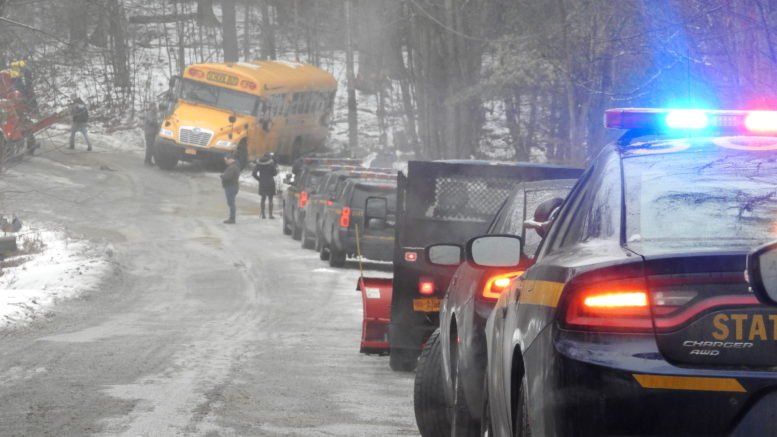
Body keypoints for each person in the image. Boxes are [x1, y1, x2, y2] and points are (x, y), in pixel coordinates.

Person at [252, 152, 278, 219]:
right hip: (270, 182)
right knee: (270, 199)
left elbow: (254, 173)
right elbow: (274, 173)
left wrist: (259, 179)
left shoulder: (259, 163)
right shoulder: (271, 163)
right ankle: (270, 215)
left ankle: (263, 214)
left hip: (262, 182)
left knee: (263, 198)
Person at [221, 156, 241, 224]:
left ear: (231, 160)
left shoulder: (232, 167)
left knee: (231, 203)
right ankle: (232, 218)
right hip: (233, 186)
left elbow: (227, 177)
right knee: (231, 202)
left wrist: (222, 176)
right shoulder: (235, 166)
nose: (225, 161)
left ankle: (232, 219)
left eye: (226, 160)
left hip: (230, 187)